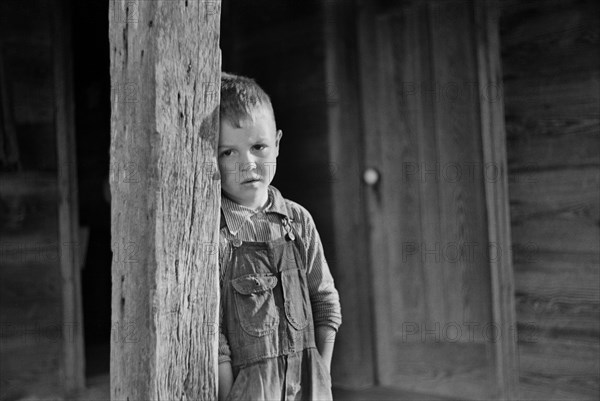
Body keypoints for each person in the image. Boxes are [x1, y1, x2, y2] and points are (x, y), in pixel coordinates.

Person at [217, 72, 342, 400]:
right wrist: (231, 394)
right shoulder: (214, 235)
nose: (248, 164)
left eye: (258, 146)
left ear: (278, 143)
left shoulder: (298, 221)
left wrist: (322, 376)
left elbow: (325, 300)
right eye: (228, 152)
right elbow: (214, 336)